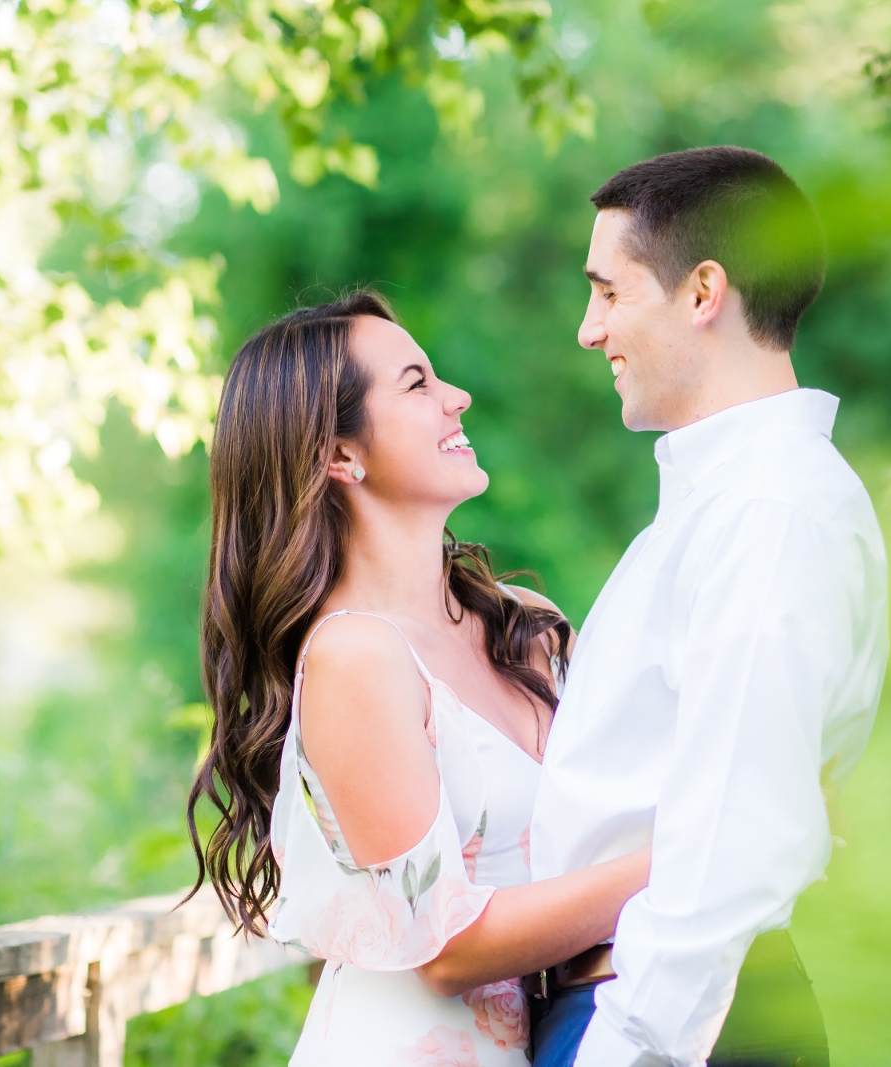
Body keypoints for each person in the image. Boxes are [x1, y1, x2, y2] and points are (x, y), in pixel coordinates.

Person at [185, 291, 651, 1066]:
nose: (455, 397)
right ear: (339, 454)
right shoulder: (354, 660)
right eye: (415, 383)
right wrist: (691, 849)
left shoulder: (526, 627)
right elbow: (448, 947)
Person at [527, 146, 890, 1067]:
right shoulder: (721, 506)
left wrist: (620, 1053)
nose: (587, 328)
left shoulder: (767, 513)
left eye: (609, 292)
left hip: (673, 1026)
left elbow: (733, 837)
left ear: (702, 293)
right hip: (645, 1011)